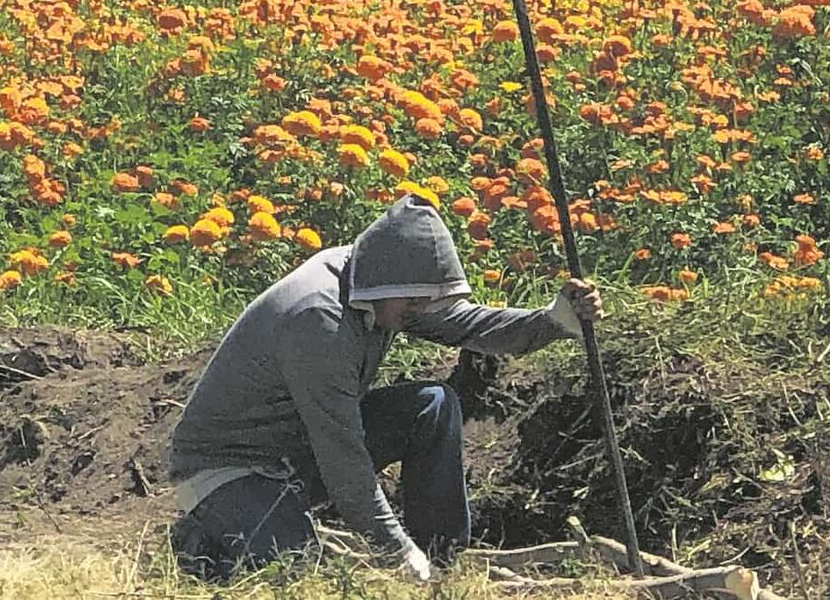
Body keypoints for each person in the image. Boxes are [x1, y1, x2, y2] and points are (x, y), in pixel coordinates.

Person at [168, 194, 603, 581]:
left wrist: (552, 321)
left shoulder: (382, 285)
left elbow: (469, 324)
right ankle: (205, 541)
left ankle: (442, 562)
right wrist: (396, 551)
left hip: (296, 453)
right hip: (231, 468)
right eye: (414, 301)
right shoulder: (319, 321)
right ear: (384, 284)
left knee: (431, 405)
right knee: (299, 574)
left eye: (427, 300)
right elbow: (343, 458)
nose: (421, 310)